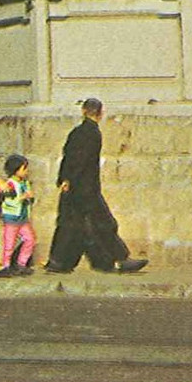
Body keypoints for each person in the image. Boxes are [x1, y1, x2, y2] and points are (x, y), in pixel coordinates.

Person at [46, 98, 149, 274]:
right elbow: (82, 161)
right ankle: (120, 259)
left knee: (72, 226)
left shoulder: (76, 132)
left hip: (74, 187)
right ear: (100, 114)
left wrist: (65, 180)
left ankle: (60, 262)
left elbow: (68, 157)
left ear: (84, 111)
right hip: (86, 189)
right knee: (104, 223)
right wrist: (72, 180)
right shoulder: (93, 134)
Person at [0, 153, 37, 276]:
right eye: (24, 169)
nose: (26, 171)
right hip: (12, 217)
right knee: (9, 244)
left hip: (23, 218)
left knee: (30, 239)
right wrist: (23, 197)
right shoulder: (10, 184)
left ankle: (21, 263)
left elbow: (29, 197)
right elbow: (10, 199)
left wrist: (30, 196)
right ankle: (5, 266)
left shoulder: (25, 183)